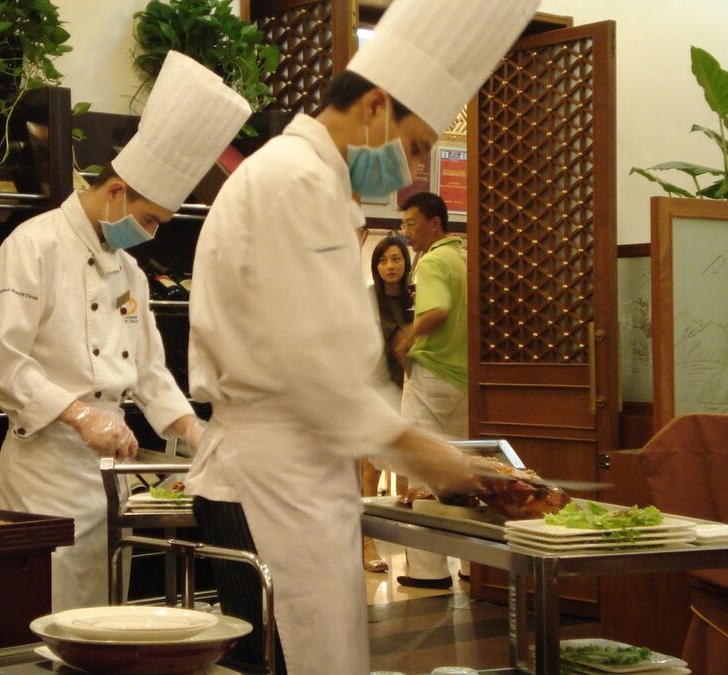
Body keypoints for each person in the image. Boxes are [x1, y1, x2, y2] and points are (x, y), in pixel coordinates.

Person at [184, 1, 539, 672]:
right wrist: (428, 454)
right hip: (270, 485)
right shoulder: (296, 179)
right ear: (376, 105)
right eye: (415, 147)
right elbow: (313, 366)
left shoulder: (303, 178)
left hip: (290, 478)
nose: (410, 173)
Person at [0, 51, 251, 611]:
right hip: (44, 478)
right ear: (118, 190)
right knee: (50, 622)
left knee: (105, 622)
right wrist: (80, 415)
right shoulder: (33, 246)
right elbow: (1, 363)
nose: (149, 234)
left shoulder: (129, 270)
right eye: (149, 219)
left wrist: (195, 434)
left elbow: (148, 371)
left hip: (113, 476)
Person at [394, 191, 470, 590]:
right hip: (465, 377)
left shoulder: (435, 260)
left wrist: (408, 335)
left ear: (435, 224)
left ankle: (428, 570)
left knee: (420, 467)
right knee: (465, 468)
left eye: (411, 223)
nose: (406, 232)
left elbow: (437, 311)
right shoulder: (465, 258)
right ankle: (476, 566)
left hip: (433, 373)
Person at [362, 233, 413, 573]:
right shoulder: (366, 298)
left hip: (409, 386)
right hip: (372, 387)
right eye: (383, 260)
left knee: (408, 468)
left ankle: (415, 549)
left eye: (395, 259)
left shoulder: (414, 298)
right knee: (371, 467)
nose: (389, 266)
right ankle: (367, 544)